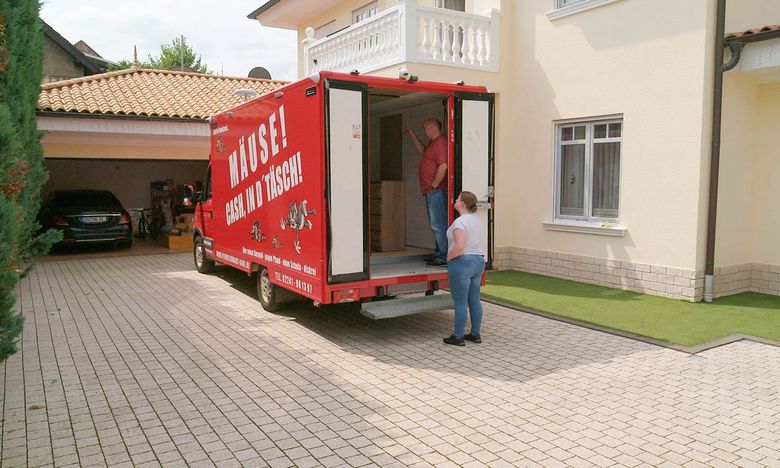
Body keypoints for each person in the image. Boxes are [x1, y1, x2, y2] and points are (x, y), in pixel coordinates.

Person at [443, 191, 485, 346]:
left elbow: (459, 247)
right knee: (474, 300)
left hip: (462, 263)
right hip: (478, 261)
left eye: (458, 198)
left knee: (460, 302)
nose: (455, 199)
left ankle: (458, 337)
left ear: (462, 204)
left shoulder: (460, 222)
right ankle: (475, 334)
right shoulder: (475, 220)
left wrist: (448, 257)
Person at [405, 118, 448, 267]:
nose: (424, 131)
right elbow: (422, 150)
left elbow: (443, 165)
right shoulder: (433, 144)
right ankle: (439, 253)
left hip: (437, 191)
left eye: (425, 128)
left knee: (438, 224)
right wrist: (411, 134)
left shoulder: (440, 142)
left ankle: (443, 257)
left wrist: (434, 185)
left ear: (432, 127)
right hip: (432, 192)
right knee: (436, 224)